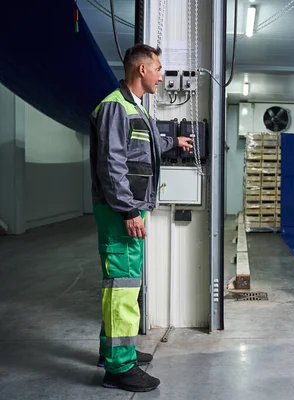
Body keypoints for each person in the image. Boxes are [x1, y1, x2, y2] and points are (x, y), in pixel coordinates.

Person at [89, 43, 193, 392]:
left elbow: (140, 149)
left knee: (123, 285)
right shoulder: (113, 108)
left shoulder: (135, 108)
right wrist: (130, 210)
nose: (162, 76)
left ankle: (112, 352)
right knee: (122, 286)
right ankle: (119, 368)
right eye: (159, 69)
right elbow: (111, 165)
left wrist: (173, 142)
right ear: (142, 70)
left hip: (129, 208)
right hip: (121, 211)